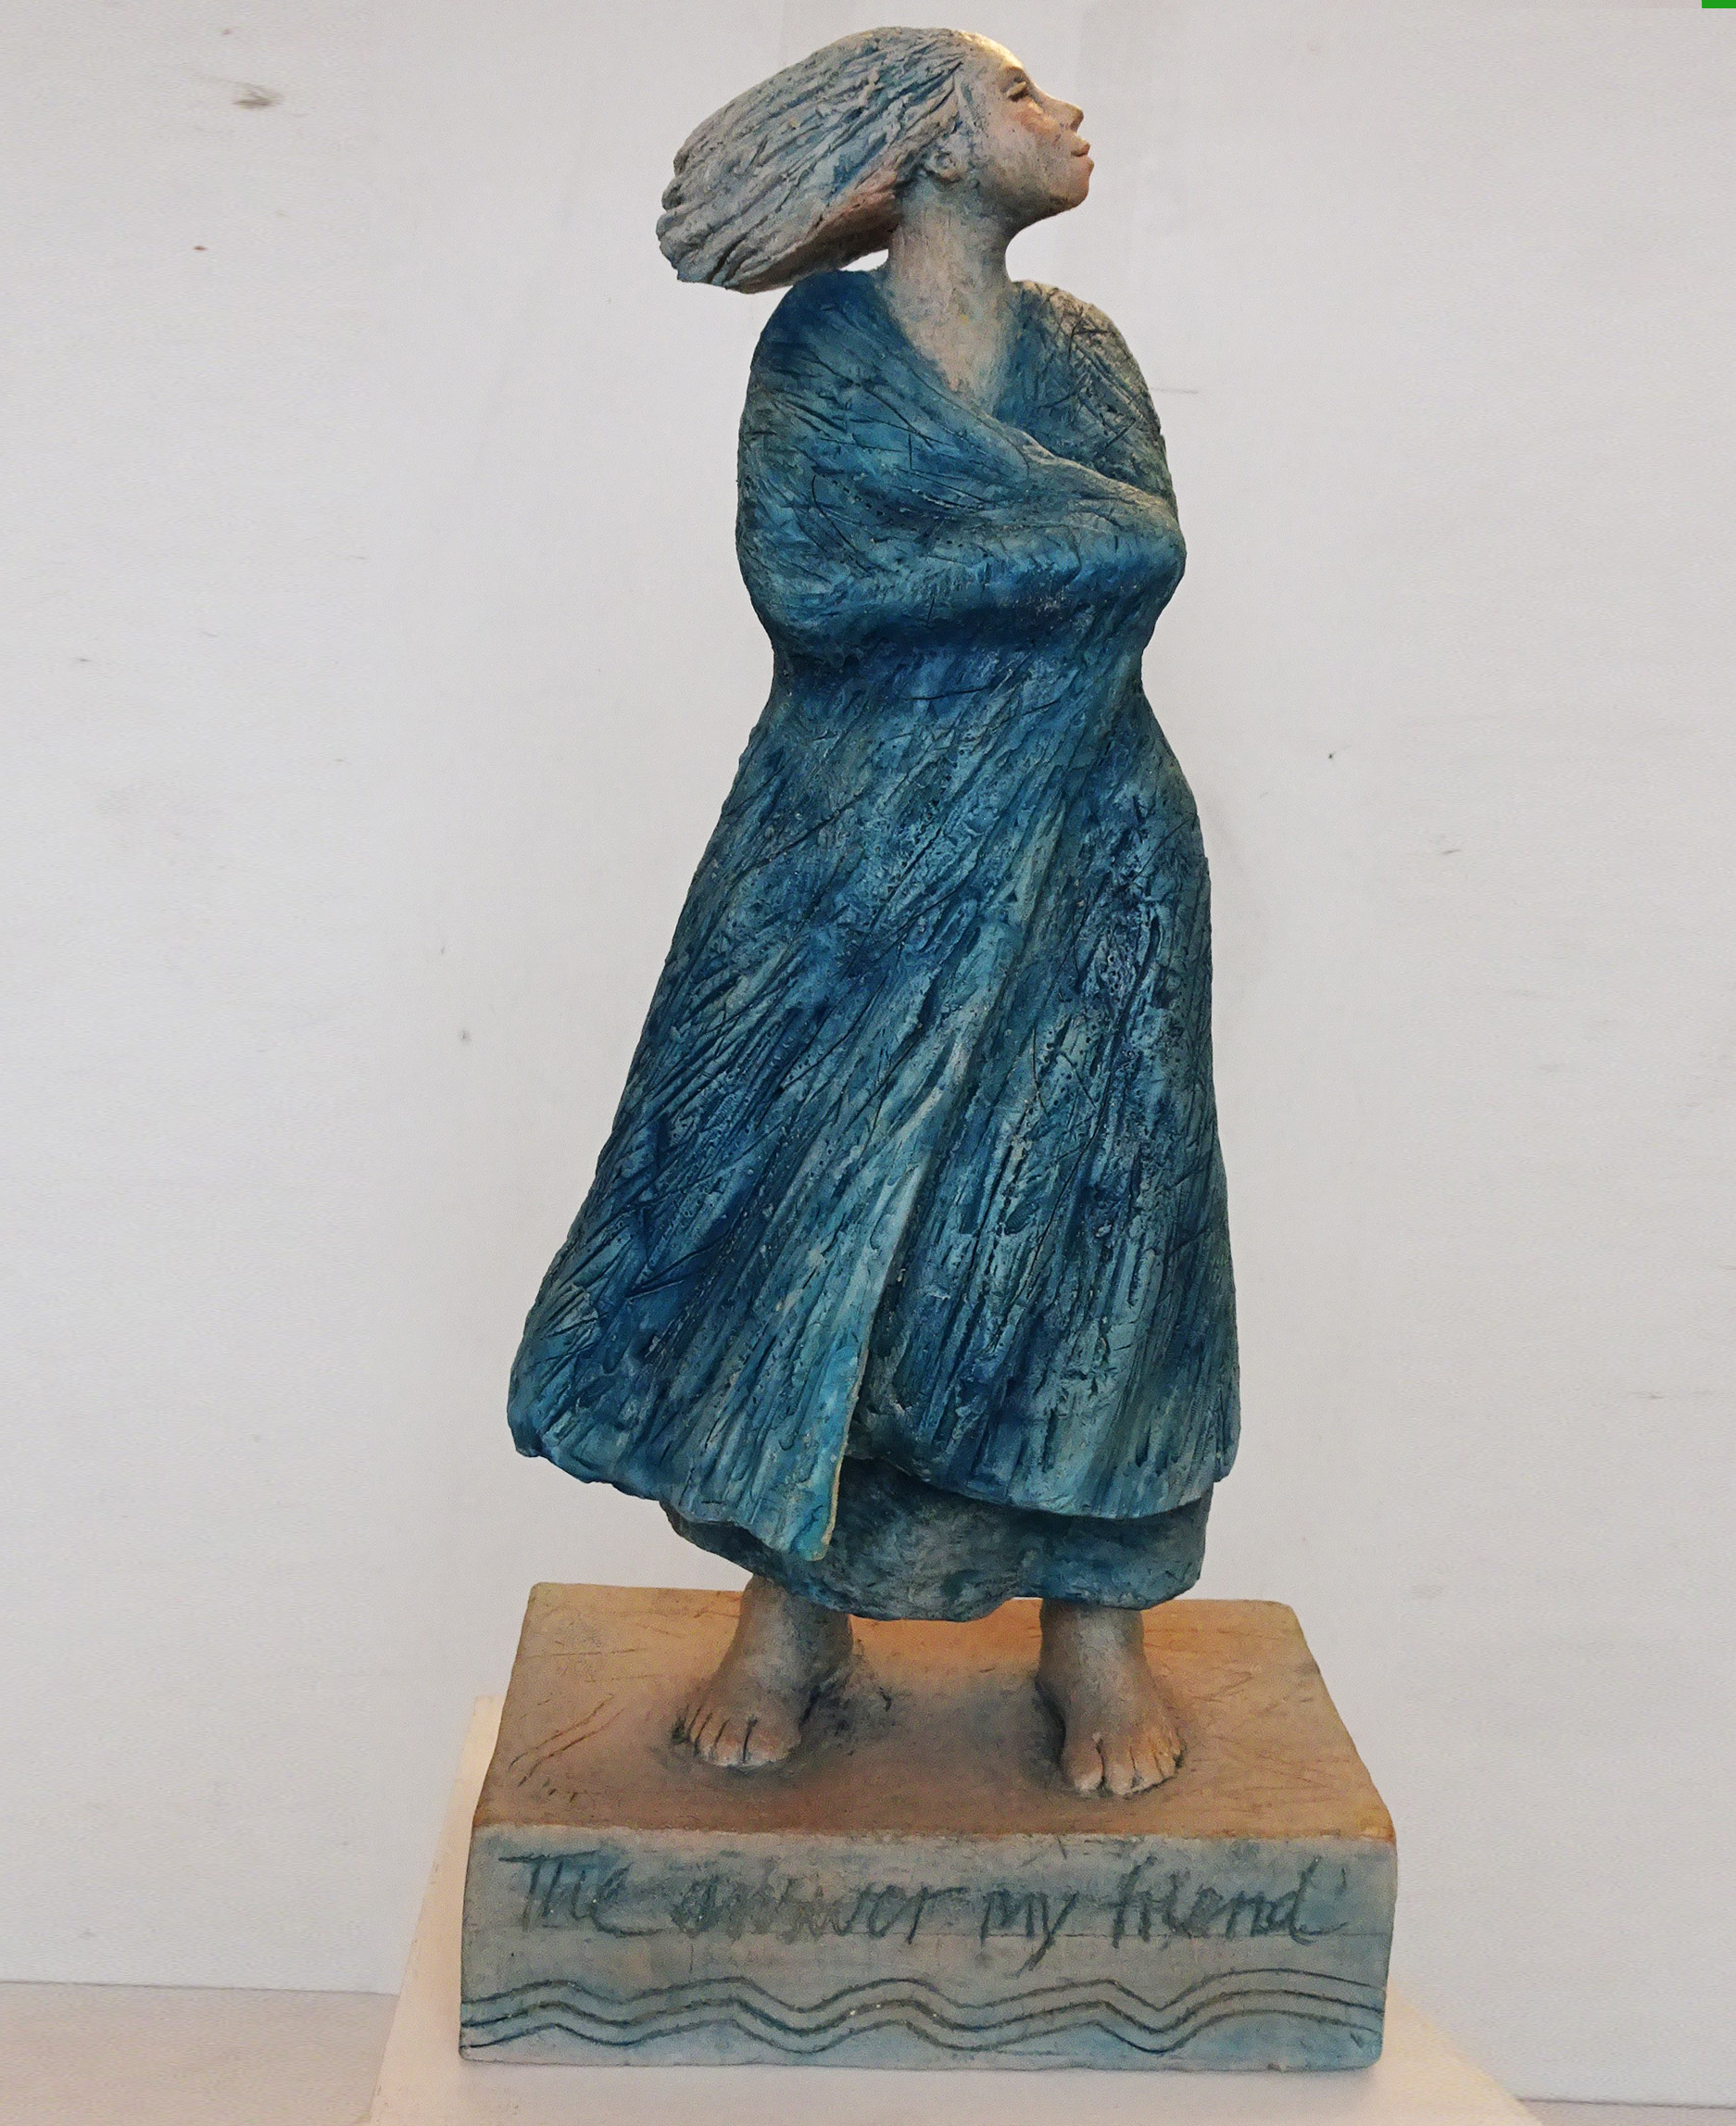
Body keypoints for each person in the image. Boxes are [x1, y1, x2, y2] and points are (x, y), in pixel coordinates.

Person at [509, 28, 1239, 1797]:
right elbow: (818, 580)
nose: (1065, 113)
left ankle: (1094, 1626)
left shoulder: (1081, 353)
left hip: (1088, 845)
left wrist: (1021, 550)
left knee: (1095, 1220)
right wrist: (1062, 545)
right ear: (931, 144)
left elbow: (1147, 553)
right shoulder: (821, 353)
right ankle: (792, 1608)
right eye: (1019, 95)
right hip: (849, 854)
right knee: (813, 1213)